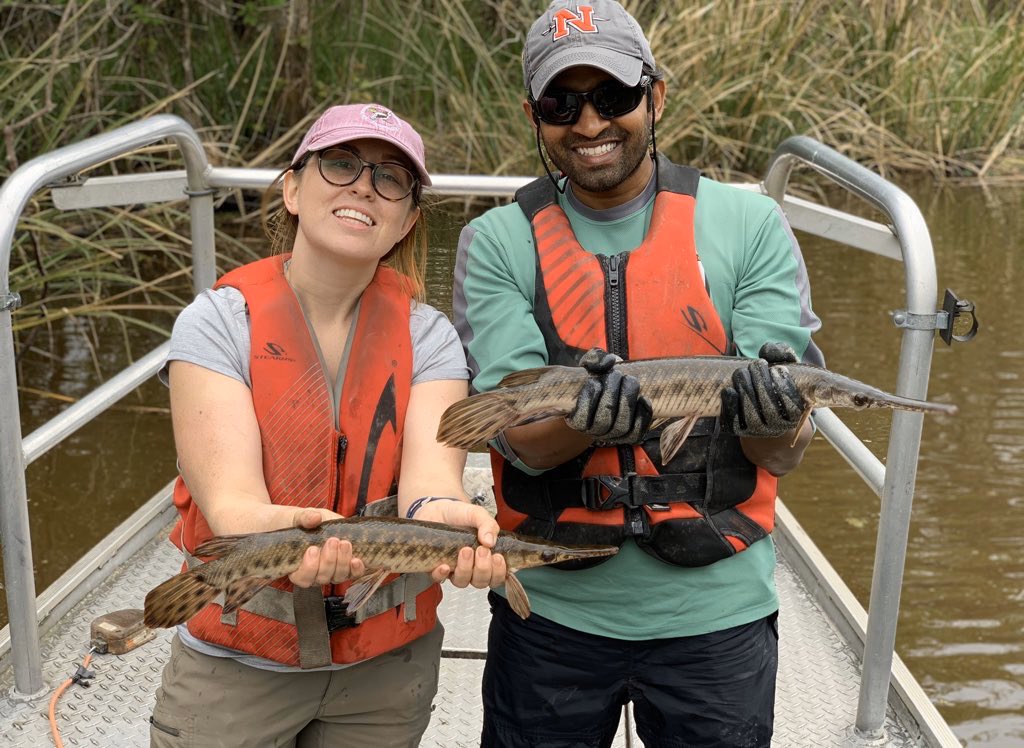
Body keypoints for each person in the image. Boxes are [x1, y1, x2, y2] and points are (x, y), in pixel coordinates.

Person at [453, 1, 824, 746]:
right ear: (535, 115)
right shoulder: (495, 242)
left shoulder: (749, 227)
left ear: (655, 95)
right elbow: (516, 438)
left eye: (614, 97)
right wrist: (581, 421)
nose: (589, 124)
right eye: (563, 102)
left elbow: (782, 451)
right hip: (551, 618)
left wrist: (775, 416)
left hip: (717, 619)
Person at [149, 102, 506, 747]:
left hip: (386, 668)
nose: (365, 186)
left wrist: (448, 517)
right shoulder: (217, 323)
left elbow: (430, 486)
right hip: (240, 660)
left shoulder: (430, 338)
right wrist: (310, 534)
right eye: (341, 164)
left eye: (392, 179)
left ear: (407, 220)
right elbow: (233, 511)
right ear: (292, 186)